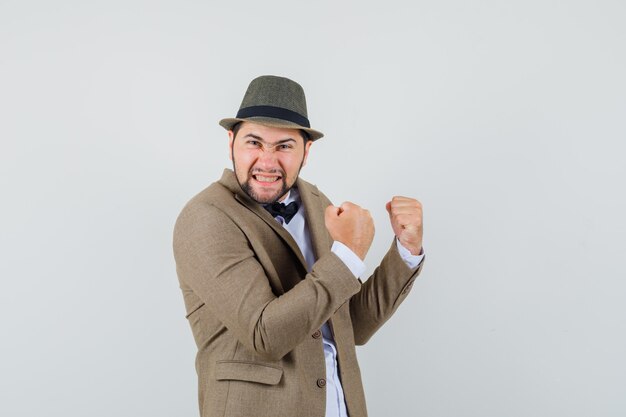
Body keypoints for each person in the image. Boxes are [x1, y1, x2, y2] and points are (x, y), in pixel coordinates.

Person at [173, 75, 425, 417]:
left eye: (284, 146)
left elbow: (354, 326)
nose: (266, 160)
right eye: (254, 142)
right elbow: (266, 336)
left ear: (306, 151)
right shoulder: (206, 217)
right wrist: (348, 255)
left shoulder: (319, 204)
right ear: (230, 141)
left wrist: (405, 251)